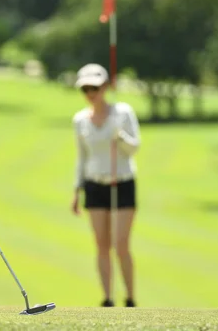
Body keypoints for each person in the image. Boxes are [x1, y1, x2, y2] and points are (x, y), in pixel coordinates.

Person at [70, 63, 141, 308]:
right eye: (86, 89)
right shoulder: (80, 120)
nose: (91, 93)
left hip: (122, 183)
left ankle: (130, 298)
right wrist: (76, 190)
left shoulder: (122, 113)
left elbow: (134, 148)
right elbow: (81, 157)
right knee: (102, 245)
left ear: (105, 87)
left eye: (95, 87)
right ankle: (108, 299)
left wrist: (119, 135)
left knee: (121, 244)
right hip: (94, 185)